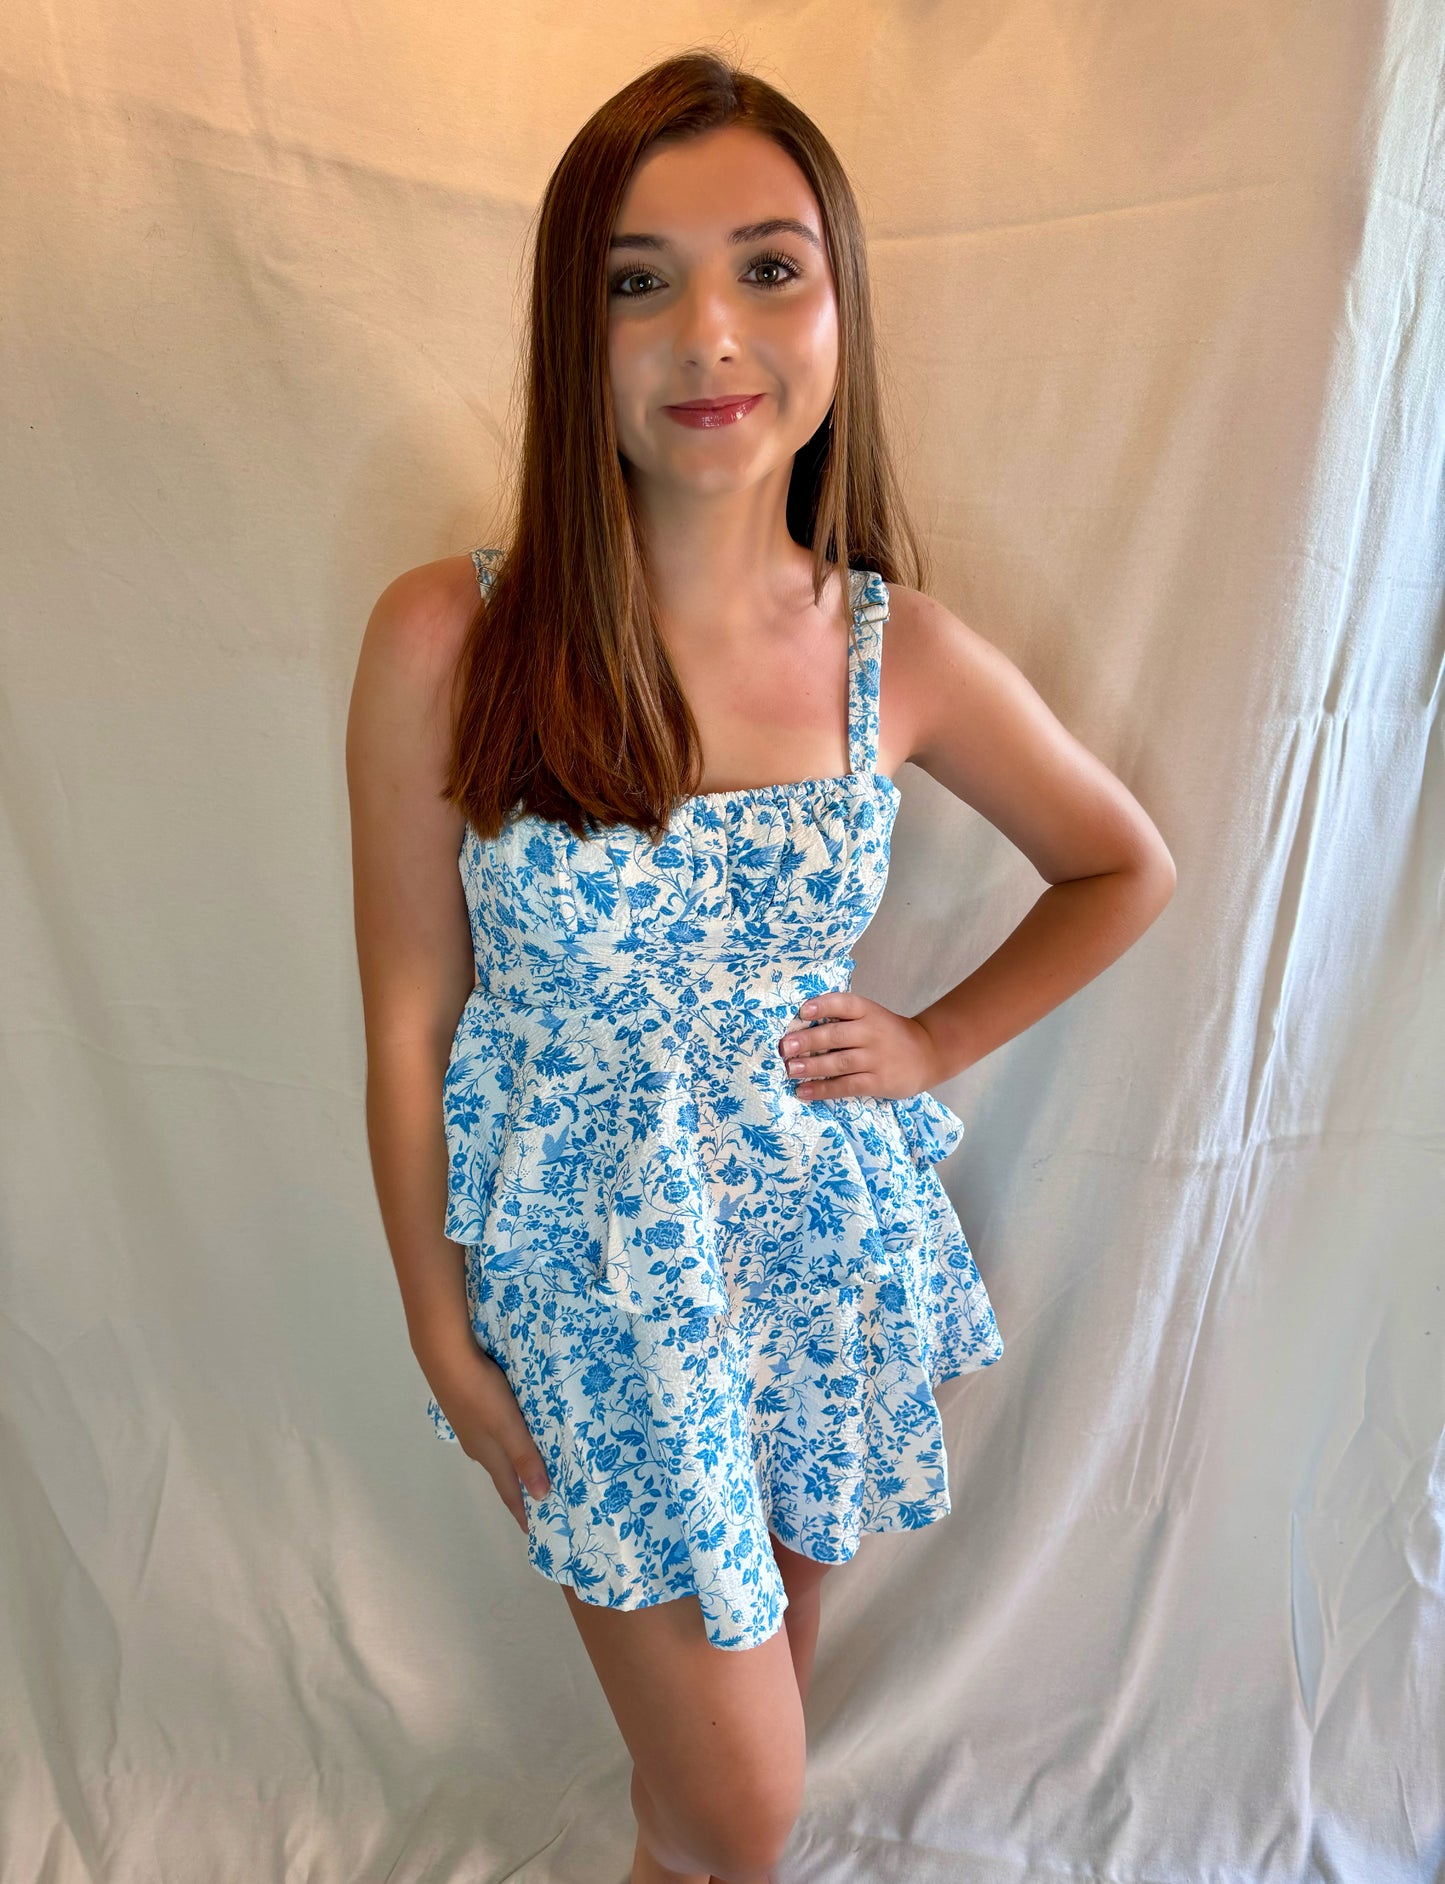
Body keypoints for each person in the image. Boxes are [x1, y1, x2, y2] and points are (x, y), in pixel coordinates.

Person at [346, 47, 1175, 1884]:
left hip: (813, 1247)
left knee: (722, 1796)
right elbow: (410, 1012)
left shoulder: (898, 653)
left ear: (836, 304)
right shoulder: (453, 637)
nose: (707, 334)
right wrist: (432, 1318)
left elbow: (1123, 863)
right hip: (589, 1281)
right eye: (637, 281)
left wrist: (933, 1038)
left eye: (767, 267)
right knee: (744, 1797)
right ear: (573, 329)